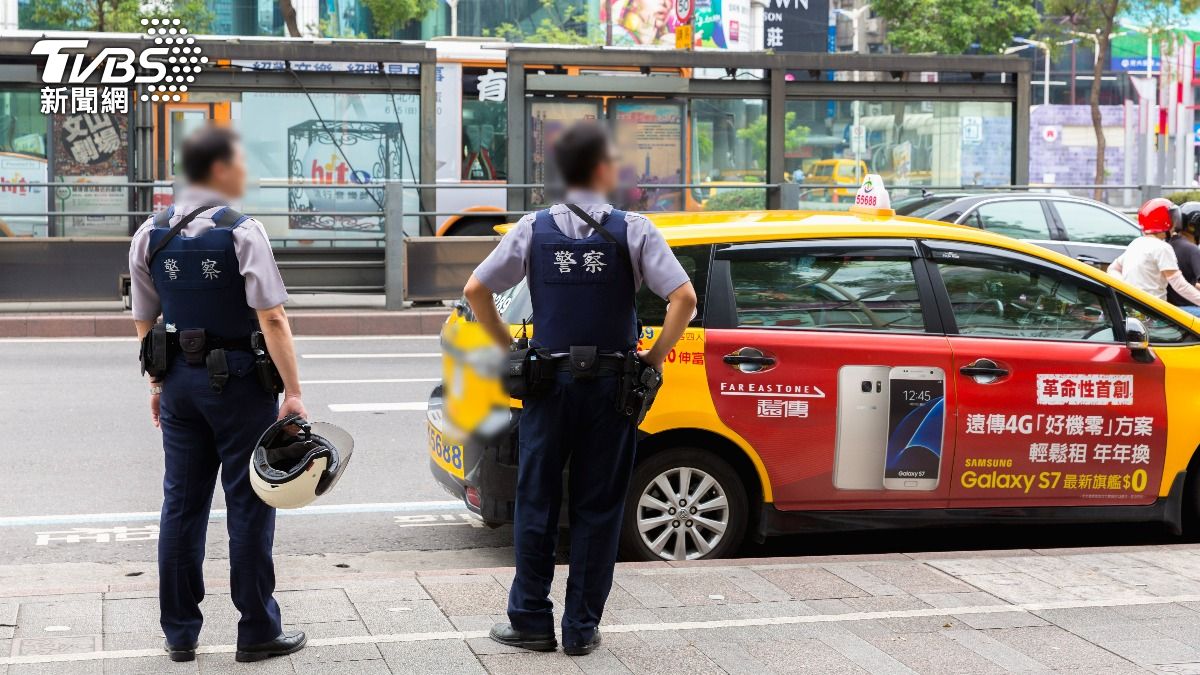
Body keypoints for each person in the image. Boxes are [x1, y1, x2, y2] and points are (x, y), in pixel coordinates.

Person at [463, 121, 697, 656]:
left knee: (536, 501)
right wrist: (651, 360)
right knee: (599, 506)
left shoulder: (533, 228)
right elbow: (683, 299)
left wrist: (510, 352)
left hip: (548, 383)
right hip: (613, 387)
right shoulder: (635, 229)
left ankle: (529, 620)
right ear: (603, 169)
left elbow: (477, 289)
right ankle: (580, 628)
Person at [128, 125, 308, 664]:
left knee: (181, 506)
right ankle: (257, 630)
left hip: (180, 383)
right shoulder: (242, 231)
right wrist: (294, 392)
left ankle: (180, 632)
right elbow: (272, 317)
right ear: (222, 169)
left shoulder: (150, 234)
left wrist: (159, 384)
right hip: (239, 384)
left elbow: (144, 320)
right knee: (250, 503)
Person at [1109, 198, 1200, 315]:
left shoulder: (1136, 243)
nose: (1175, 225)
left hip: (1133, 308)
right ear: (1165, 222)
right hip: (1155, 313)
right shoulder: (1162, 248)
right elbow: (1179, 285)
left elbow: (1113, 269)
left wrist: (1129, 289)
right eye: (1173, 219)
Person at [1169, 202, 1200, 316]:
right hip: (1184, 308)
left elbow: (1185, 279)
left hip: (1168, 305)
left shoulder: (1169, 243)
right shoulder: (1191, 249)